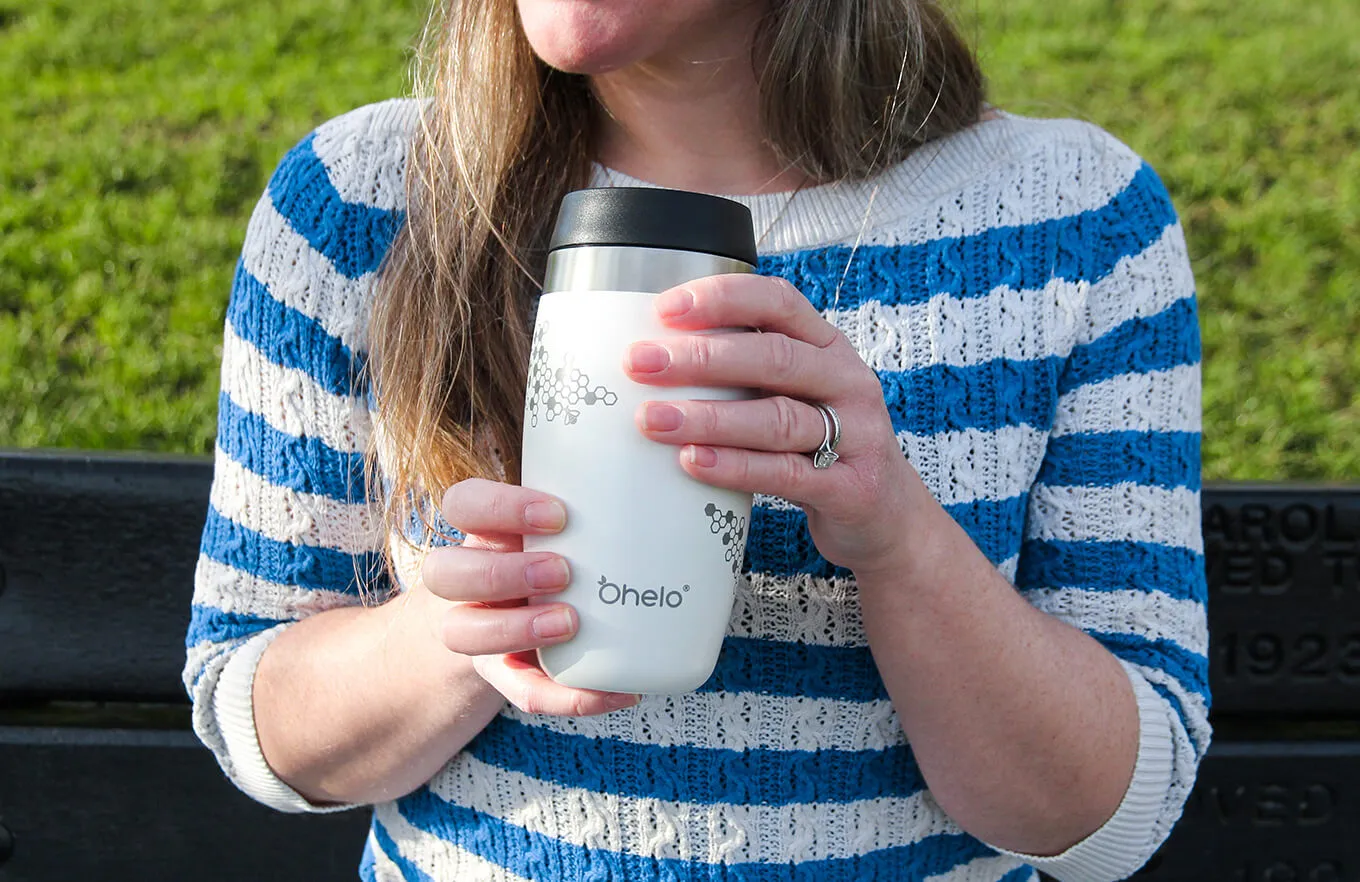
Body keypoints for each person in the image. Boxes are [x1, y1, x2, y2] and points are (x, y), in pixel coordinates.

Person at [183, 0, 1210, 879]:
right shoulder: (367, 200)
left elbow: (1109, 818)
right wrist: (464, 629)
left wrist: (897, 536)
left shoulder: (1070, 222)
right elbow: (253, 717)